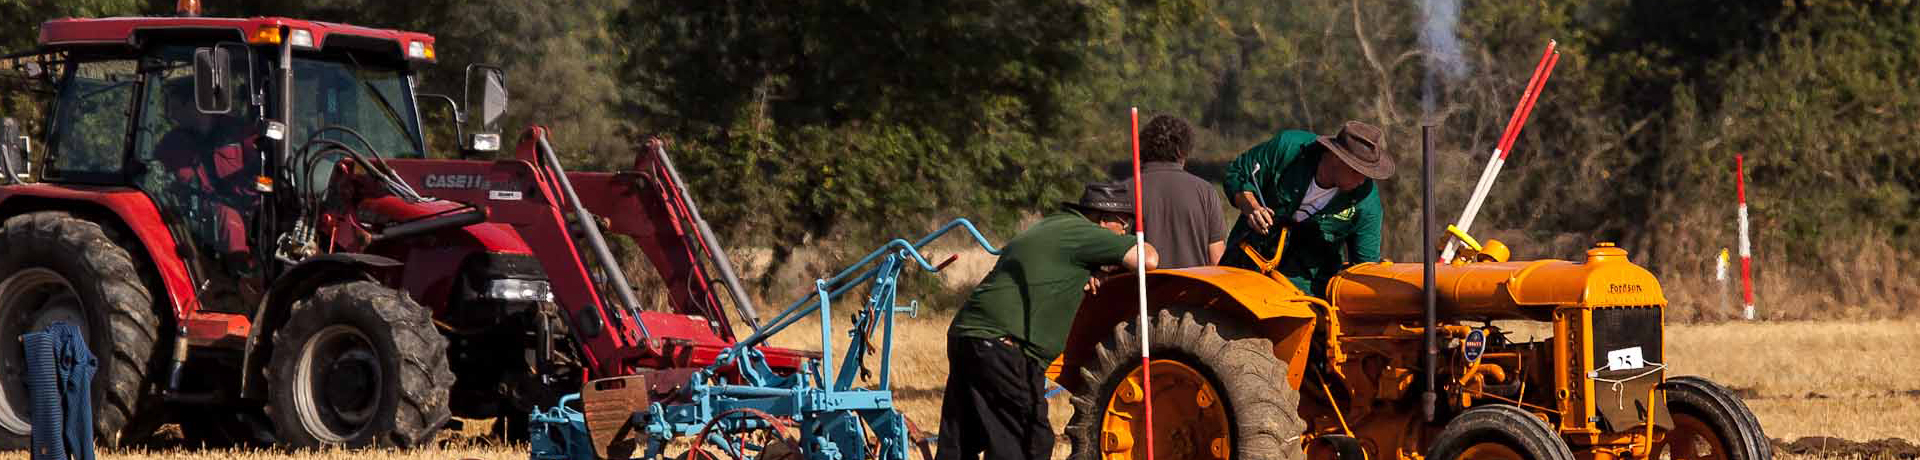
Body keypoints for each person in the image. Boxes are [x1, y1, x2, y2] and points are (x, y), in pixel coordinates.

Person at [937, 181, 1159, 460]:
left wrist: (1098, 269)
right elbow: (1148, 259)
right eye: (1124, 225)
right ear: (1105, 220)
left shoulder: (1052, 226)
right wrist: (1111, 261)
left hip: (966, 336)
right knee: (1029, 442)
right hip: (1003, 347)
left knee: (962, 442)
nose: (1124, 231)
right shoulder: (1087, 233)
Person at [1218, 120, 1394, 296]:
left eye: (1368, 174)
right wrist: (1252, 208)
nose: (1362, 180)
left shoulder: (1367, 202)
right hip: (1243, 266)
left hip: (1304, 293)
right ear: (1336, 156)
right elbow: (1238, 173)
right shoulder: (1288, 148)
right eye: (1356, 171)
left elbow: (1364, 270)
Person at [1137, 114, 1226, 268]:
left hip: (1141, 290)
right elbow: (1216, 259)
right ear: (1182, 151)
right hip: (1193, 290)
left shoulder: (1126, 190)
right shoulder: (1205, 191)